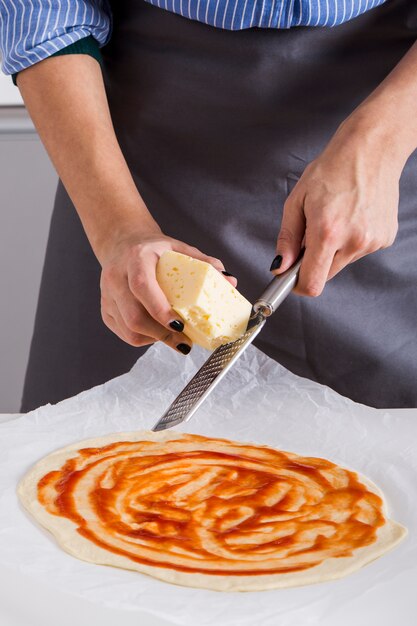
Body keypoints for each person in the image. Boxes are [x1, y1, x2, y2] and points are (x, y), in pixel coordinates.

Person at [1, 0, 416, 411]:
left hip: (394, 121)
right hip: (130, 161)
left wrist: (381, 141)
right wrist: (118, 230)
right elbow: (43, 11)